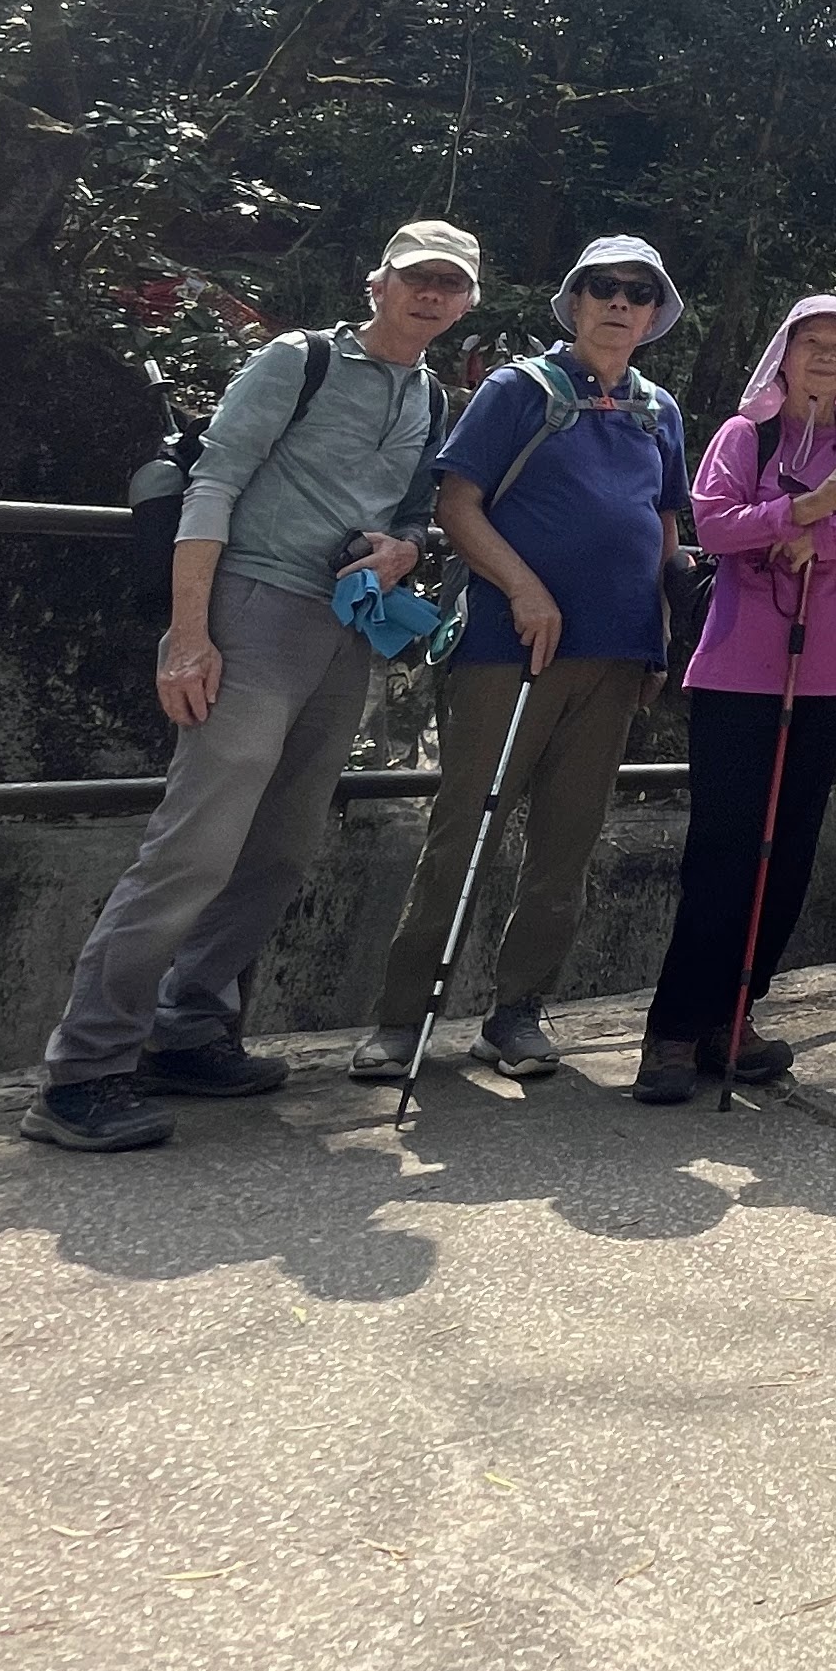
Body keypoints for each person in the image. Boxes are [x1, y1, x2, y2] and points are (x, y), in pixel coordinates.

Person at [24, 222, 479, 1151]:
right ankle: (83, 1072)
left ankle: (188, 1030)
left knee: (281, 848)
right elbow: (215, 482)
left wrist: (403, 550)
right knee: (194, 846)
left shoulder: (430, 395)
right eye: (417, 277)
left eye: (450, 283)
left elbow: (409, 517)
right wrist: (188, 635)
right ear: (378, 283)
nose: (431, 293)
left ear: (467, 301)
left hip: (343, 627)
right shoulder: (299, 360)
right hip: (252, 607)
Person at [351, 236, 692, 1080]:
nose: (621, 302)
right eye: (603, 286)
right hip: (509, 645)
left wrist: (659, 635)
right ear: (575, 301)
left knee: (567, 843)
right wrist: (524, 589)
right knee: (465, 828)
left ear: (655, 314)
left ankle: (517, 1012)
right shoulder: (518, 389)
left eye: (640, 292)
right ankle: (401, 1018)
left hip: (615, 653)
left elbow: (665, 525)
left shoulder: (659, 410)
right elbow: (457, 503)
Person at [634, 296, 836, 1100]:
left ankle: (734, 1016)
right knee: (726, 846)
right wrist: (803, 507)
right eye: (812, 343)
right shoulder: (747, 435)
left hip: (830, 668)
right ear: (785, 353)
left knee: (790, 848)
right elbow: (715, 524)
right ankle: (675, 1026)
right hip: (741, 667)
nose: (826, 357)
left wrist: (821, 537)